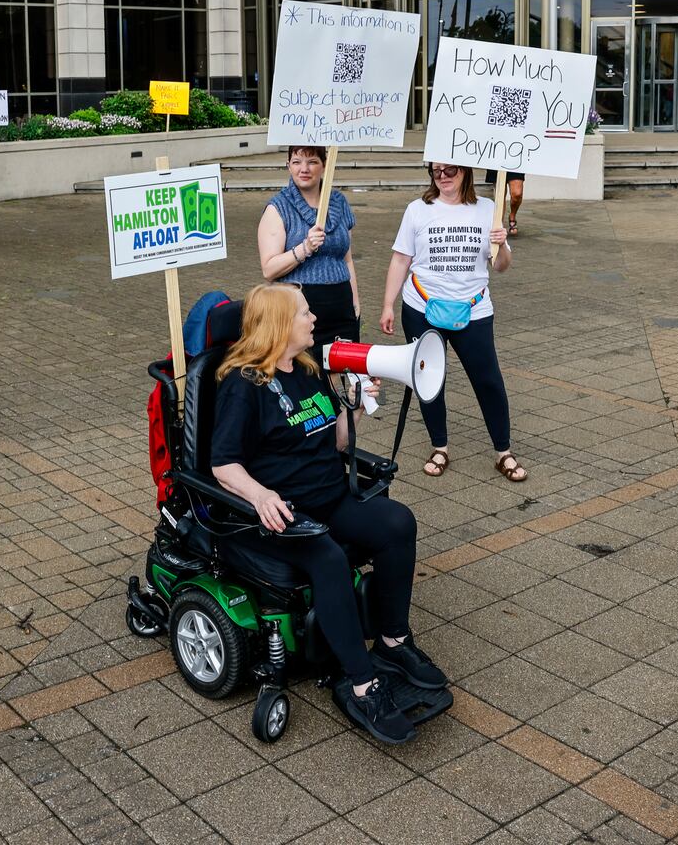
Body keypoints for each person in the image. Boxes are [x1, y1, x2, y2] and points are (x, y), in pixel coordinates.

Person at [211, 283, 445, 745]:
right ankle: (362, 683)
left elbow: (335, 442)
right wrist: (259, 497)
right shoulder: (242, 386)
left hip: (330, 498)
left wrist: (356, 408)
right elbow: (223, 464)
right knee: (330, 560)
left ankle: (394, 642)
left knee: (399, 524)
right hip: (282, 515)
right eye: (303, 312)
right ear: (279, 324)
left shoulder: (307, 369)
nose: (313, 318)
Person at [380, 163, 525, 482]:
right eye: (436, 171)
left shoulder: (487, 208)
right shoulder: (417, 210)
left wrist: (501, 242)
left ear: (466, 171)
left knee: (488, 380)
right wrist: (388, 304)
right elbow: (401, 258)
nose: (443, 177)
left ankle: (504, 452)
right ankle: (439, 447)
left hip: (473, 310)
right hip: (421, 306)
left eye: (451, 171)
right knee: (429, 380)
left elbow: (500, 266)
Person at [258, 145, 360, 347]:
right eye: (296, 162)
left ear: (324, 166)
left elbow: (346, 259)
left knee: (341, 372)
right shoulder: (278, 208)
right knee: (308, 374)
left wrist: (355, 303)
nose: (304, 169)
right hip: (298, 312)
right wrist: (304, 248)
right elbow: (269, 270)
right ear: (288, 166)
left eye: (312, 162)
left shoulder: (339, 202)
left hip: (341, 307)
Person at [483, 169, 525, 235]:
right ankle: (500, 224)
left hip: (515, 161)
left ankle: (512, 215)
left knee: (517, 194)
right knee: (500, 195)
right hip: (498, 161)